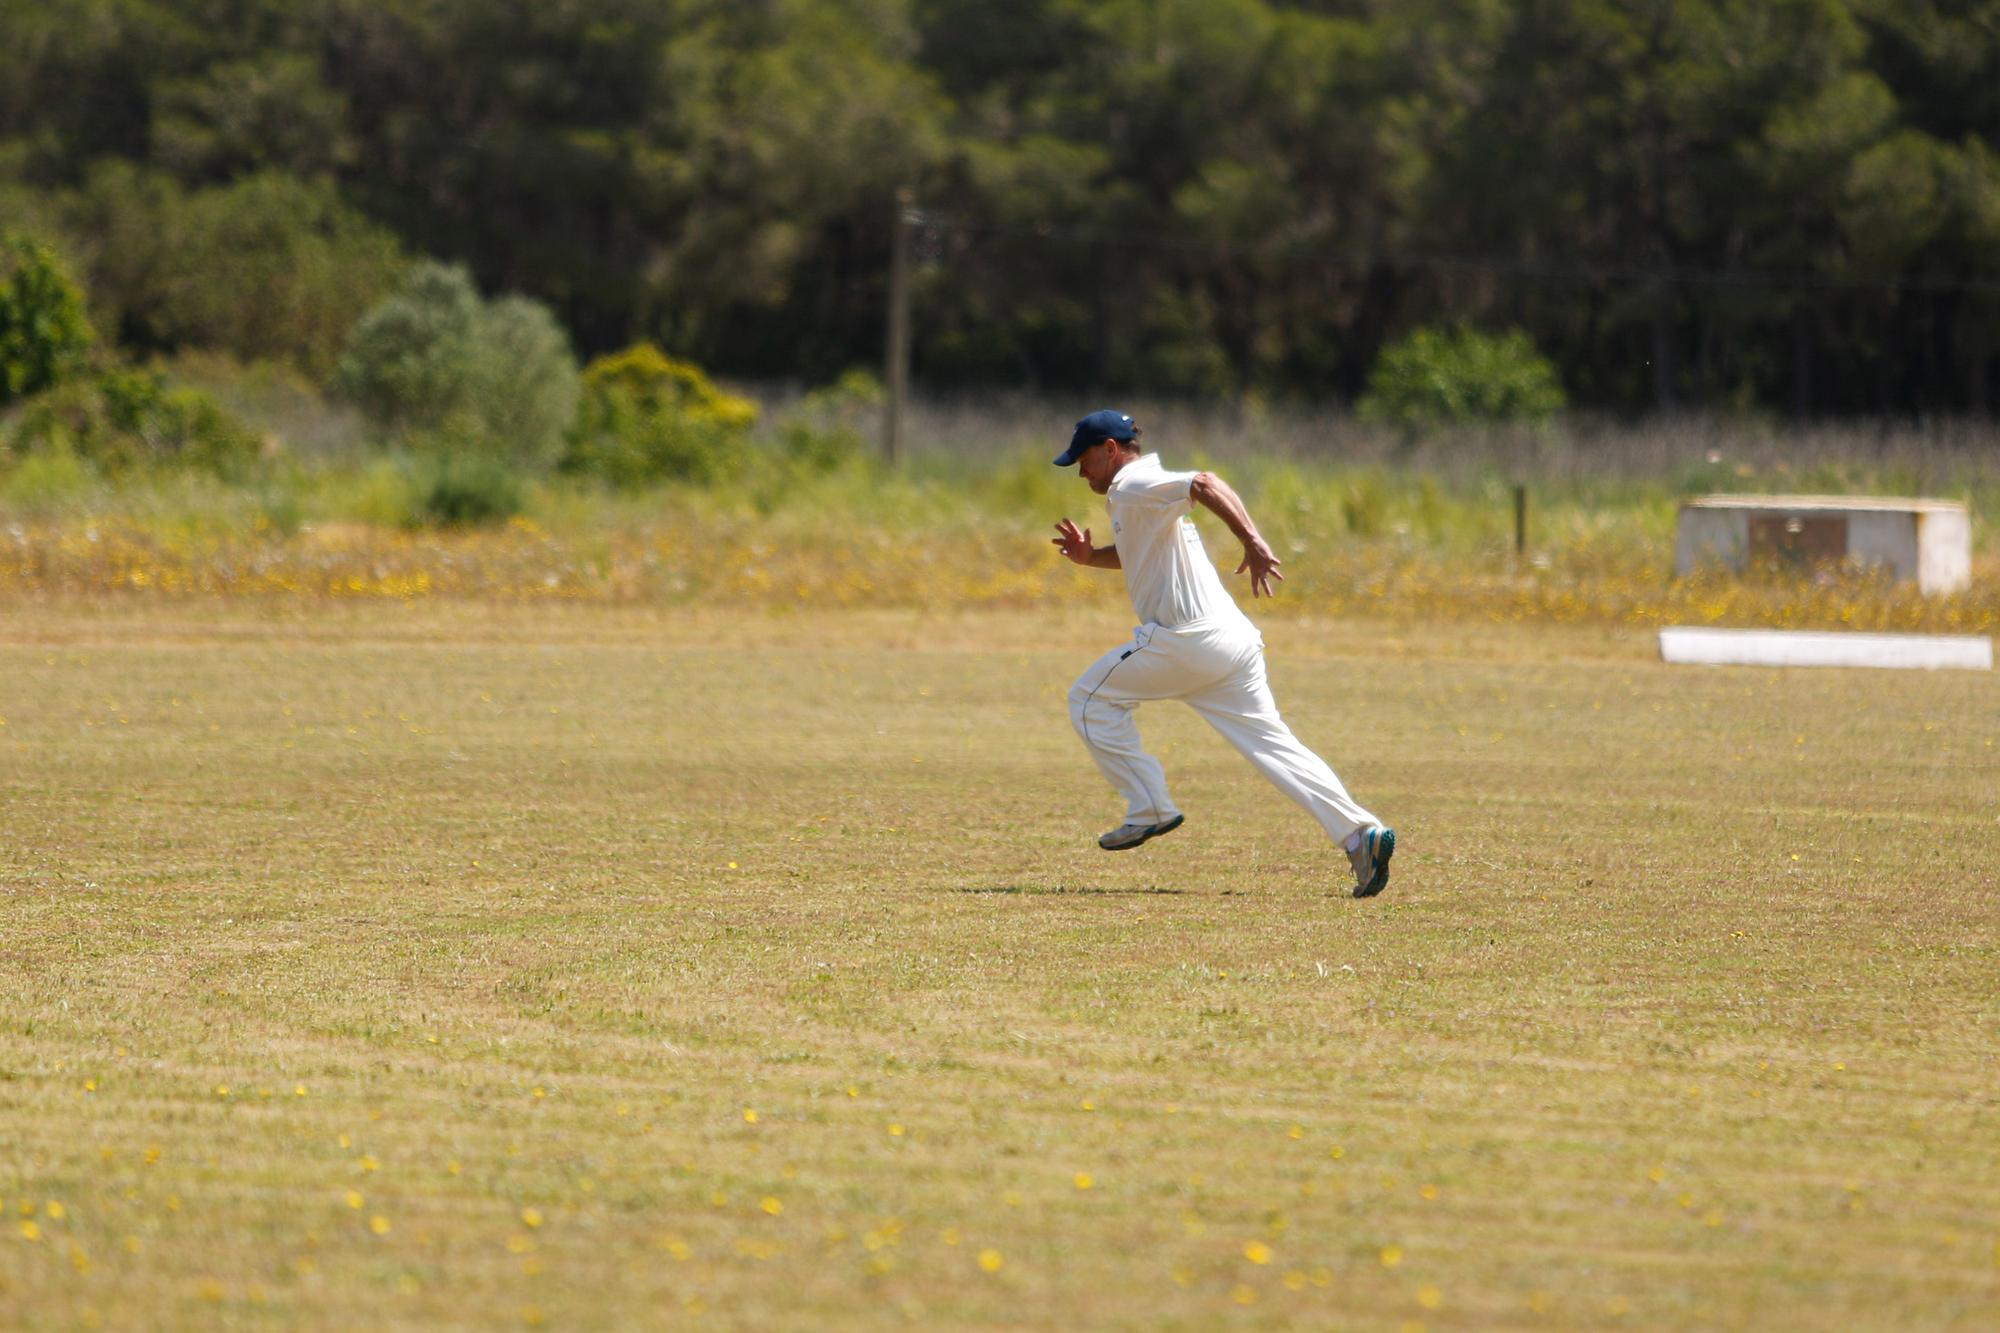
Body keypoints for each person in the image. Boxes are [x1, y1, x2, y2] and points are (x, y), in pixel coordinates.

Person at [1050, 409, 1396, 898]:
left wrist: (1252, 540)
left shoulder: (1131, 486)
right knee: (1277, 749)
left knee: (1088, 700)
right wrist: (1091, 558)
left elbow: (1206, 482)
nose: (1080, 471)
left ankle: (1149, 806)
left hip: (1185, 641)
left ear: (1110, 449)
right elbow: (1142, 552)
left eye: (1083, 459)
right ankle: (1363, 836)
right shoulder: (1139, 494)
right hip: (1232, 643)